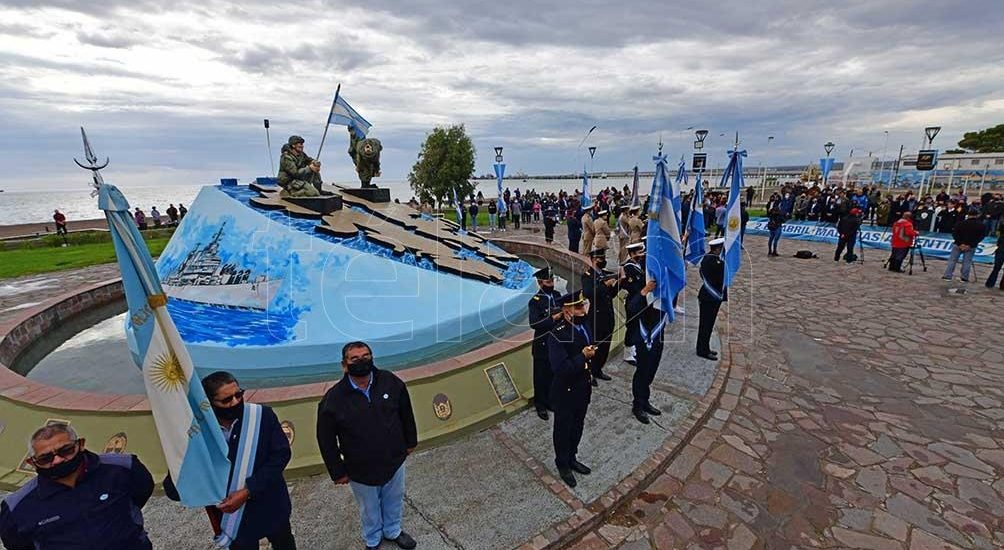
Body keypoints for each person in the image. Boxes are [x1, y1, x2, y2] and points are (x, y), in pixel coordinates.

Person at [163, 372, 295, 550]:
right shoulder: (198, 435)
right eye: (226, 400)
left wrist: (249, 490)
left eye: (238, 395)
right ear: (209, 403)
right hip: (232, 519)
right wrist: (179, 456)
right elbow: (174, 490)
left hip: (270, 505)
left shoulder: (262, 416)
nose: (235, 402)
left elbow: (280, 456)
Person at [317, 342, 418, 550]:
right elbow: (326, 439)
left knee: (394, 498)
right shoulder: (333, 400)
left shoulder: (390, 382)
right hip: (360, 468)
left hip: (394, 458)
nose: (362, 362)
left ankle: (393, 530)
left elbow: (406, 413)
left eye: (366, 356)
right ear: (344, 365)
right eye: (355, 359)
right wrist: (337, 471)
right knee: (369, 508)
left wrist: (410, 442)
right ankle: (372, 539)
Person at [1, 422, 155, 550]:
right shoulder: (16, 506)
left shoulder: (123, 467)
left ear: (80, 444)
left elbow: (143, 491)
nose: (57, 460)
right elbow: (17, 543)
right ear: (32, 463)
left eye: (66, 450)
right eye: (45, 458)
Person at [546, 291, 596, 488]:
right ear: (566, 311)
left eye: (582, 306)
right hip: (565, 391)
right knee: (563, 428)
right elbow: (560, 368)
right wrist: (583, 356)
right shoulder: (557, 335)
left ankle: (572, 456)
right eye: (577, 307)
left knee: (578, 425)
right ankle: (563, 463)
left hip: (583, 388)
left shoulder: (583, 326)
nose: (582, 310)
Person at [626, 278, 665, 424]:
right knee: (642, 372)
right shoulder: (642, 285)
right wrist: (646, 290)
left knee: (651, 371)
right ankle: (638, 405)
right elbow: (632, 307)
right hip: (643, 338)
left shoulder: (663, 288)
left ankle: (645, 400)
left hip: (658, 337)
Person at [528, 267, 563, 420]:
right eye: (548, 281)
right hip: (542, 343)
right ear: (540, 283)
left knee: (552, 374)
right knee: (540, 376)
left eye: (552, 281)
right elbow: (534, 323)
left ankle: (550, 400)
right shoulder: (535, 302)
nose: (551, 284)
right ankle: (540, 404)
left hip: (556, 341)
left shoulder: (557, 296)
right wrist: (552, 319)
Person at [581, 248, 616, 384]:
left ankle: (598, 369)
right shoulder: (587, 276)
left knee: (605, 346)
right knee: (594, 346)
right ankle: (590, 372)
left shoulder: (605, 273)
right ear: (595, 260)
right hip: (596, 317)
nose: (604, 260)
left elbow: (610, 294)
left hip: (608, 315)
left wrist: (614, 285)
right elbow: (589, 293)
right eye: (601, 258)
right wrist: (604, 286)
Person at [697, 238, 727, 360]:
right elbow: (722, 278)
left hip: (707, 296)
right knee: (706, 325)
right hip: (710, 298)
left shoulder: (707, 258)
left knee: (707, 325)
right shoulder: (716, 262)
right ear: (718, 249)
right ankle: (702, 350)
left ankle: (704, 347)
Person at [620, 242, 647, 365]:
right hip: (633, 300)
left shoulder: (639, 264)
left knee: (638, 325)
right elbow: (633, 286)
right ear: (631, 254)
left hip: (641, 299)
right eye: (637, 252)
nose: (640, 255)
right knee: (632, 326)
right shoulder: (628, 267)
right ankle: (628, 353)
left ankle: (634, 348)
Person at [942, 211, 986, 282]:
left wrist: (960, 243)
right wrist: (970, 244)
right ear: (977, 215)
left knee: (952, 261)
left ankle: (947, 275)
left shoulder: (960, 223)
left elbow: (955, 234)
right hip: (971, 246)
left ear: (968, 215)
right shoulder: (981, 225)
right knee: (967, 262)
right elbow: (981, 237)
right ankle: (964, 277)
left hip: (958, 245)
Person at [985, 224, 1004, 289]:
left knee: (996, 268)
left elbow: (999, 241)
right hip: (1001, 251)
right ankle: (1001, 286)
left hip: (1000, 251)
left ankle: (990, 284)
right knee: (996, 268)